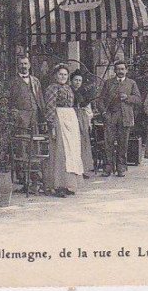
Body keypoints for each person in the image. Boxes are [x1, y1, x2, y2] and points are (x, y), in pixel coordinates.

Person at [43, 64, 84, 197]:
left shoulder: (68, 88)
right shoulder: (52, 88)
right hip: (59, 119)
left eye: (65, 75)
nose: (63, 77)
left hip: (70, 120)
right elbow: (50, 107)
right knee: (60, 152)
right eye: (60, 74)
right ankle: (58, 185)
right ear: (55, 75)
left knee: (71, 152)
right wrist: (52, 125)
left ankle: (68, 184)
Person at [98, 60, 142, 177]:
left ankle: (121, 167)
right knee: (108, 143)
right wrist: (104, 113)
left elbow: (138, 99)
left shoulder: (131, 83)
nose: (120, 71)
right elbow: (100, 100)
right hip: (111, 117)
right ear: (115, 70)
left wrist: (128, 97)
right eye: (118, 69)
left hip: (125, 117)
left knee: (123, 143)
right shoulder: (108, 83)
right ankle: (108, 167)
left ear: (126, 70)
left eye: (122, 69)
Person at [9, 54, 45, 134]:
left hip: (35, 116)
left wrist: (43, 116)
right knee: (22, 139)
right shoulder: (13, 82)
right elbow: (9, 100)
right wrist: (16, 114)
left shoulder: (35, 81)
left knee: (35, 138)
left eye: (25, 63)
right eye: (21, 64)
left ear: (29, 65)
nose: (23, 66)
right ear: (17, 66)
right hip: (21, 117)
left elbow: (40, 99)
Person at [69, 69, 96, 177]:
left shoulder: (83, 92)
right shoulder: (68, 91)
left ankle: (83, 169)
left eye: (80, 80)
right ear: (71, 81)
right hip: (72, 115)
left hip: (82, 117)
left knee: (83, 142)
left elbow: (87, 106)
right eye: (75, 80)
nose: (77, 82)